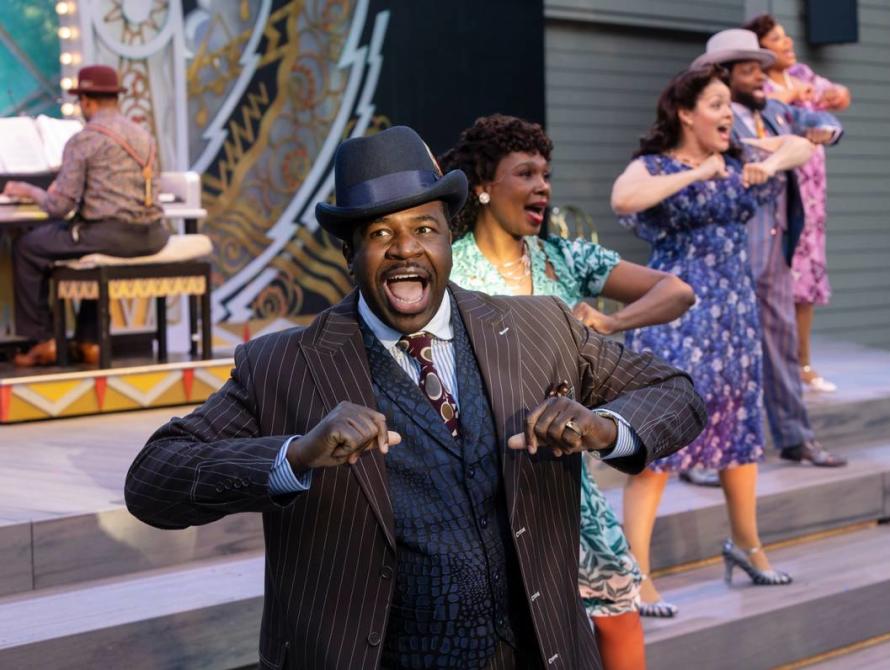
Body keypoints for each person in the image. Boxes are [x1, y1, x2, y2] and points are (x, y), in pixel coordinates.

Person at [124, 126, 706, 669]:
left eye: (424, 229)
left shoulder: (539, 327)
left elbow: (674, 393)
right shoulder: (283, 364)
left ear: (448, 238)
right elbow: (154, 480)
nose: (405, 249)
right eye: (380, 235)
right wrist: (294, 456)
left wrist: (605, 428)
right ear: (348, 255)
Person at [440, 114, 695, 669]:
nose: (542, 186)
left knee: (617, 611)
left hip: (565, 473)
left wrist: (609, 324)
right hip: (484, 478)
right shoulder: (449, 268)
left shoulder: (566, 258)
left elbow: (676, 291)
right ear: (483, 186)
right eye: (525, 173)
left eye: (546, 174)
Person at [612, 65, 817, 617]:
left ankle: (747, 547)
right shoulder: (655, 165)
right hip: (676, 315)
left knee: (740, 437)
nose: (729, 114)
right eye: (718, 104)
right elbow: (624, 199)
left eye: (730, 104)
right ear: (685, 112)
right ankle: (637, 575)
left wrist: (766, 164)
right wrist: (696, 173)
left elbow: (801, 146)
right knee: (658, 444)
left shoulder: (742, 154)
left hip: (733, 315)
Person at [692, 29, 848, 468]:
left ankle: (797, 439)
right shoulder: (708, 117)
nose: (761, 78)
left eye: (761, 70)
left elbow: (830, 126)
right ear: (722, 75)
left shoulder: (778, 111)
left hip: (777, 255)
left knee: (782, 348)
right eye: (748, 71)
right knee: (718, 357)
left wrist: (823, 132)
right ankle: (705, 455)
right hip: (726, 257)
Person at [2, 64, 167, 367]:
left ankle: (43, 341)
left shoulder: (84, 139)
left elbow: (59, 207)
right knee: (89, 243)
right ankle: (88, 341)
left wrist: (27, 189)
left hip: (111, 236)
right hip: (153, 235)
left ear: (87, 102)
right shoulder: (144, 135)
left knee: (28, 247)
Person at [745, 14, 852, 393]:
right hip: (773, 197)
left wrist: (836, 94)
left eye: (786, 36)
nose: (788, 42)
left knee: (805, 284)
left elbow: (838, 97)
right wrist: (788, 98)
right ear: (759, 50)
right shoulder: (755, 88)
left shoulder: (804, 76)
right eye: (777, 38)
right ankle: (764, 367)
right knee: (770, 281)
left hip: (811, 199)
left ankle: (803, 364)